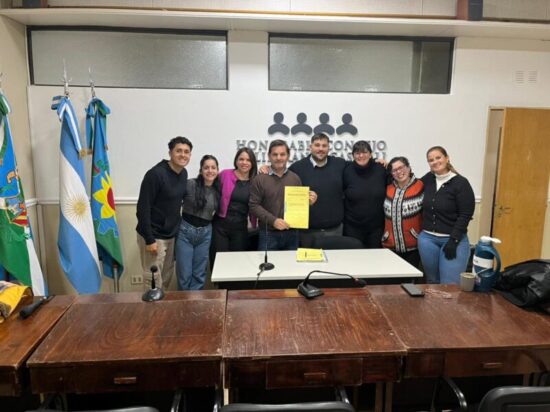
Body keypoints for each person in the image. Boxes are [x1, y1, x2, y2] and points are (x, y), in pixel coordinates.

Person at [136, 136, 192, 290]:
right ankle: (152, 306)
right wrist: (149, 239)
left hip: (171, 235)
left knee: (166, 277)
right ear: (170, 153)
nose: (183, 155)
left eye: (186, 152)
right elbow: (143, 208)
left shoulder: (183, 173)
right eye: (178, 151)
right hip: (154, 236)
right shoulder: (155, 174)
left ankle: (162, 305)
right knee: (153, 280)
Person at [418, 146, 475, 284]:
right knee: (432, 282)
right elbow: (407, 180)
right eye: (431, 160)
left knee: (450, 286)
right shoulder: (428, 179)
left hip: (453, 240)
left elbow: (465, 215)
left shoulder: (461, 183)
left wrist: (454, 240)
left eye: (438, 157)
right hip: (427, 240)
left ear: (447, 158)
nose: (435, 162)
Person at [249, 139, 316, 251]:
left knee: (291, 263)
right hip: (268, 234)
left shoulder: (295, 178)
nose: (279, 158)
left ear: (288, 156)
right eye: (275, 154)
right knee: (268, 262)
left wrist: (308, 202)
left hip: (292, 233)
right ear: (269, 156)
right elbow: (253, 205)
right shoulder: (259, 179)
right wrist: (273, 221)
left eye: (282, 154)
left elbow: (298, 205)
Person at [289, 133, 347, 247]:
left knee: (335, 259)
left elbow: (359, 166)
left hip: (335, 230)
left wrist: (378, 163)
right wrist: (267, 169)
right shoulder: (297, 168)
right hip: (307, 233)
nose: (321, 149)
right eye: (317, 145)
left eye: (324, 145)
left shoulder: (340, 164)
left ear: (329, 148)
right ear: (310, 147)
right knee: (307, 259)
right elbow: (281, 180)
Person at [175, 155, 220, 290]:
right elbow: (173, 201)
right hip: (185, 232)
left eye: (213, 168)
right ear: (201, 170)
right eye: (206, 168)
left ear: (217, 170)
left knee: (199, 275)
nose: (210, 171)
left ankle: (195, 301)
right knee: (184, 274)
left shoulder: (218, 190)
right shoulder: (190, 184)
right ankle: (184, 302)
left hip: (205, 234)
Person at [211, 148, 258, 263]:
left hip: (240, 228)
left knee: (237, 263)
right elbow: (209, 186)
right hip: (220, 226)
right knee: (219, 262)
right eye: (241, 159)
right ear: (236, 161)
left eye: (248, 160)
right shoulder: (225, 174)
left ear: (252, 163)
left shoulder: (255, 181)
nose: (244, 162)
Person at [343, 140, 388, 248]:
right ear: (353, 155)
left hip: (376, 227)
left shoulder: (381, 169)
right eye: (357, 153)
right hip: (352, 227)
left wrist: (388, 164)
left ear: (371, 154)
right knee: (354, 256)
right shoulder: (346, 170)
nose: (361, 156)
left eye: (364, 152)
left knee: (375, 257)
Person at [382, 157, 424, 268]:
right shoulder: (387, 188)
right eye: (394, 170)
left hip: (414, 247)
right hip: (390, 246)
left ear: (409, 167)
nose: (399, 172)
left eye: (401, 167)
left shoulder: (421, 186)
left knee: (410, 277)